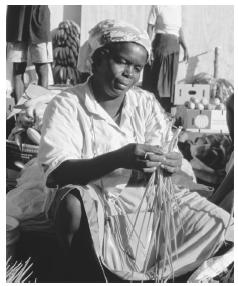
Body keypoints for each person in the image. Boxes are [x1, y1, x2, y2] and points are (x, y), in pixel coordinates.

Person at [7, 19, 233, 282]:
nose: (130, 73)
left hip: (141, 195)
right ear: (97, 60)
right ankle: (89, 275)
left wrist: (169, 163)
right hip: (93, 197)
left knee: (220, 224)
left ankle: (159, 275)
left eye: (137, 68)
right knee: (72, 202)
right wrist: (119, 158)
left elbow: (167, 151)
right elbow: (58, 174)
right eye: (122, 62)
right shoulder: (67, 104)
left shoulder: (145, 102)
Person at [142, 5, 189, 112]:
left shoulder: (178, 7)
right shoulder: (157, 6)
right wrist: (148, 48)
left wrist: (185, 47)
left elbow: (179, 30)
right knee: (158, 82)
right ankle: (152, 113)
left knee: (169, 84)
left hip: (174, 49)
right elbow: (150, 27)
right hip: (161, 46)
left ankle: (166, 114)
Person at [6, 5, 53, 103]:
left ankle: (39, 112)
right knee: (18, 69)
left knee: (42, 68)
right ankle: (19, 114)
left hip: (39, 15)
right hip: (17, 18)